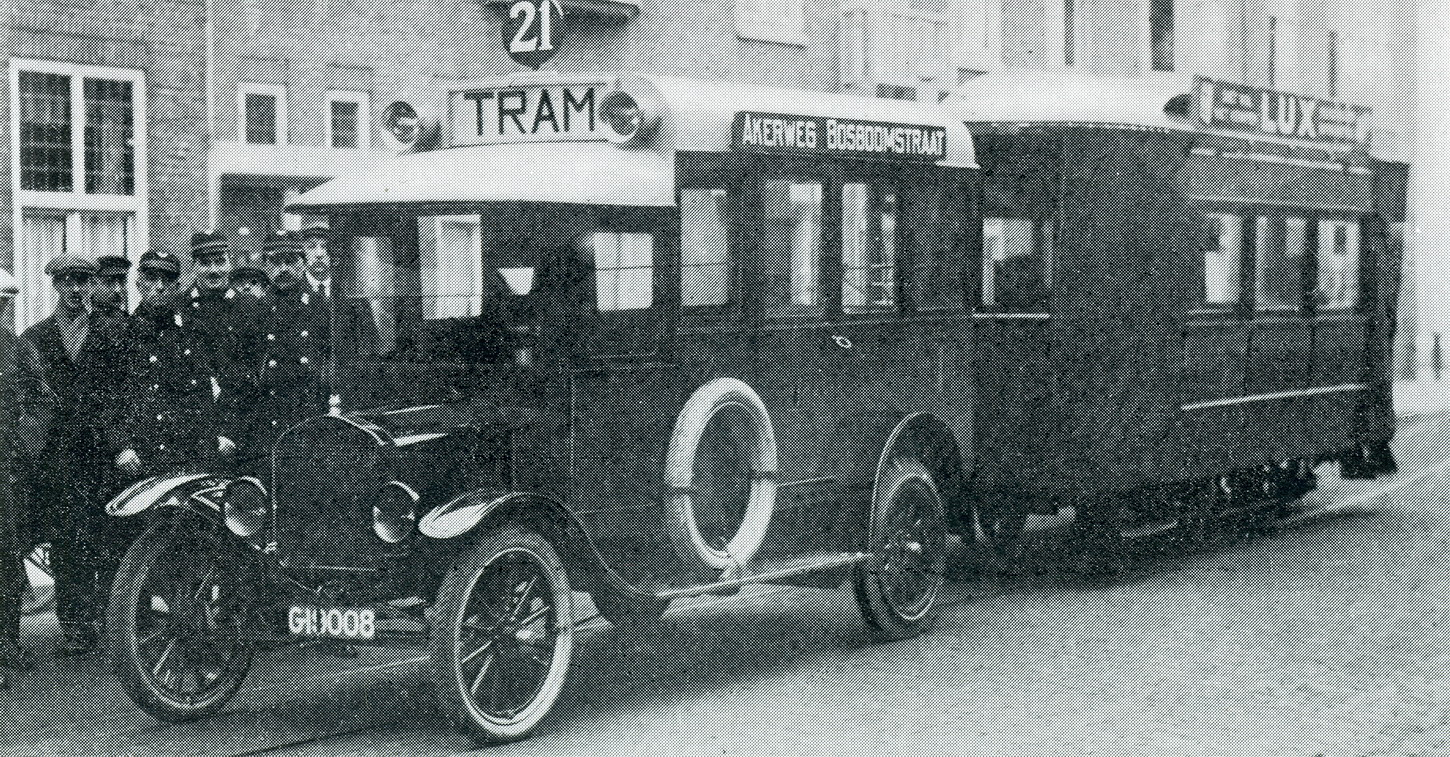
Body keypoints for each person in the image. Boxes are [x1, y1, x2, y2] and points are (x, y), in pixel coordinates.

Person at [20, 255, 122, 656]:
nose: (76, 290)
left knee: (106, 536)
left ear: (92, 285)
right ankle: (76, 625)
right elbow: (27, 400)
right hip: (57, 457)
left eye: (83, 281)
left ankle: (109, 620)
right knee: (66, 543)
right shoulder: (36, 338)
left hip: (102, 454)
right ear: (55, 286)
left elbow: (122, 394)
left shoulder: (110, 334)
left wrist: (118, 443)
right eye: (68, 282)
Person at [109, 249, 213, 482]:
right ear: (138, 283)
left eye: (167, 281)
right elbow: (106, 400)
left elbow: (204, 395)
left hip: (188, 460)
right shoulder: (120, 335)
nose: (159, 287)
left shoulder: (191, 333)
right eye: (151, 278)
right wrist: (121, 447)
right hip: (139, 462)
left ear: (177, 287)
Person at [0, 269, 56, 687]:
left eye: (4, 303)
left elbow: (42, 401)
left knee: (7, 557)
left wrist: (24, 447)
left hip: (7, 468)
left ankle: (7, 643)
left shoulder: (17, 349)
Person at [185, 232, 250, 464]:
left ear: (229, 263)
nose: (213, 270)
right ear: (194, 266)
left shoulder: (250, 308)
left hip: (242, 431)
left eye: (220, 261)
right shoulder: (180, 308)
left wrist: (231, 432)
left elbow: (252, 379)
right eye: (205, 263)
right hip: (195, 436)